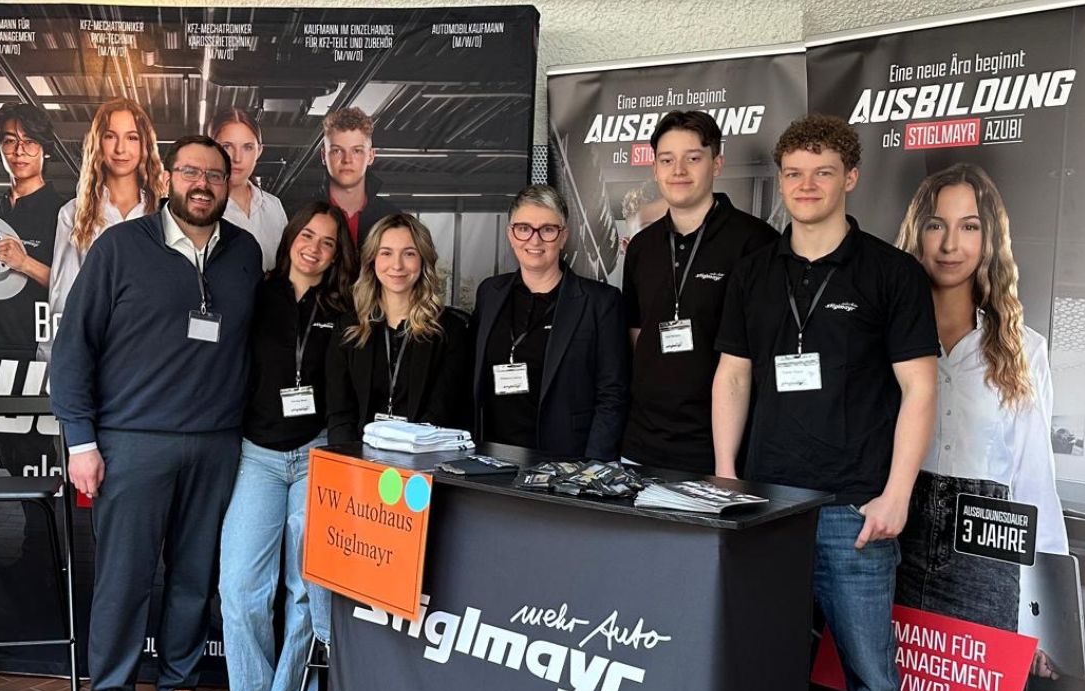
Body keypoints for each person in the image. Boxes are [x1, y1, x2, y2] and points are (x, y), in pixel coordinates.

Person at [711, 114, 939, 691]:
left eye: (822, 172)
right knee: (764, 682)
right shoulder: (755, 272)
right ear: (780, 182)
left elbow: (920, 388)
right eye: (794, 173)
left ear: (851, 179)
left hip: (854, 514)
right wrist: (725, 476)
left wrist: (897, 494)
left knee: (872, 690)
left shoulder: (891, 274)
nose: (806, 186)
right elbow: (732, 375)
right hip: (767, 512)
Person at [50, 135, 263, 691]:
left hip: (218, 446)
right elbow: (73, 349)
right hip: (133, 443)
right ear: (167, 179)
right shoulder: (120, 248)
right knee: (123, 579)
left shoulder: (245, 253)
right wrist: (81, 440)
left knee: (195, 579)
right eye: (191, 172)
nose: (203, 184)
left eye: (215, 175)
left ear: (229, 186)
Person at [893, 163, 1066, 691]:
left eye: (968, 226)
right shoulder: (885, 333)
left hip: (983, 550)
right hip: (895, 535)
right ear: (918, 232)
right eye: (936, 224)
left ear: (988, 238)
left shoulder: (1025, 349)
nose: (949, 243)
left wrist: (1037, 618)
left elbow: (1032, 483)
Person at [218, 202, 356, 691]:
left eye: (327, 242)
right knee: (241, 585)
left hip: (316, 453)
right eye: (307, 236)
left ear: (335, 253)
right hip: (258, 454)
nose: (314, 247)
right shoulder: (257, 293)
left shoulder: (342, 308)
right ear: (290, 237)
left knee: (305, 585)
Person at [621, 110, 778, 474]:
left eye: (693, 158)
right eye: (667, 160)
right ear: (655, 169)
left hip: (719, 451)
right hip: (641, 445)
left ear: (717, 163)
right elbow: (636, 332)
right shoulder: (642, 246)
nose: (679, 171)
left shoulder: (756, 243)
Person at [472, 185, 629, 459]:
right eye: (523, 228)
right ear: (511, 234)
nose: (534, 240)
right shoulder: (490, 293)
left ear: (563, 236)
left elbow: (612, 395)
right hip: (492, 456)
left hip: (566, 460)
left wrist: (591, 468)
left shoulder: (600, 302)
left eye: (547, 229)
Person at [325, 213, 469, 442]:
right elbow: (340, 413)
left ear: (423, 260)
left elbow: (441, 411)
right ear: (372, 260)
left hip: (422, 463)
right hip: (359, 462)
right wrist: (353, 466)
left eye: (409, 254)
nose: (397, 265)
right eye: (386, 253)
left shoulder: (450, 330)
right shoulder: (348, 327)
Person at [44, 98, 163, 360]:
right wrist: (54, 365)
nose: (121, 148)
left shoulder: (163, 214)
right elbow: (63, 297)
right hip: (96, 353)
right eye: (111, 136)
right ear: (98, 143)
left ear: (144, 146)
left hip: (153, 353)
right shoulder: (73, 214)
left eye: (132, 137)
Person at [0, 103, 67, 471]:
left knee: (46, 462)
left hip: (41, 352)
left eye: (30, 141)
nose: (19, 151)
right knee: (15, 462)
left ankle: (42, 530)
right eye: (10, 141)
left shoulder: (62, 211)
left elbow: (77, 287)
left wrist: (25, 263)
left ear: (45, 148)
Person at [210, 107, 288, 273]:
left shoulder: (274, 207)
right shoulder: (199, 209)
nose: (237, 158)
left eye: (247, 147)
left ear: (259, 151)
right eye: (226, 147)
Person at [320, 106, 399, 247]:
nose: (347, 159)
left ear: (371, 156)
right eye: (337, 150)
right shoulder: (299, 215)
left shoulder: (393, 218)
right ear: (323, 156)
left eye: (357, 151)